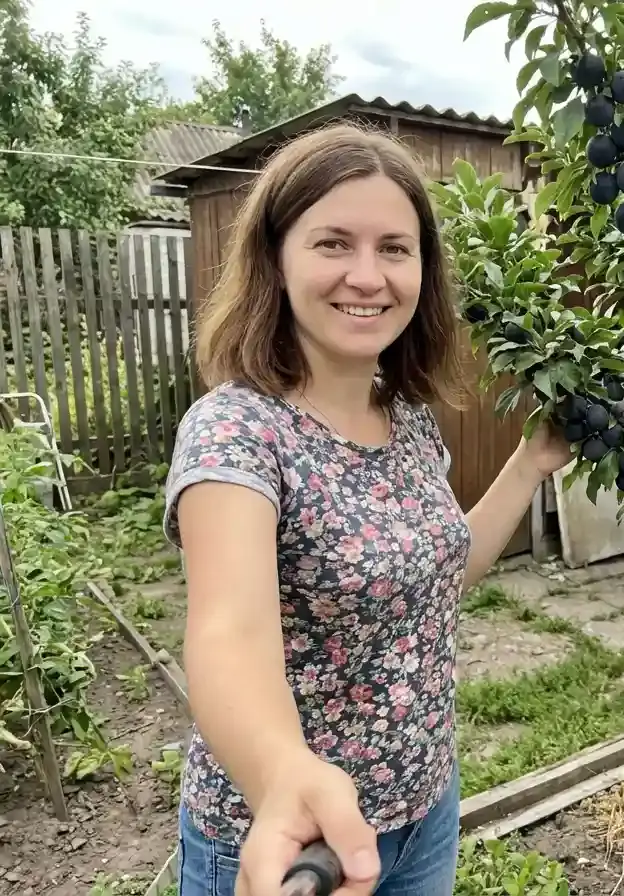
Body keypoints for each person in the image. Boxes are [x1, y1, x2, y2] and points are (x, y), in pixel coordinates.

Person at [164, 122, 572, 896]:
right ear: (276, 261)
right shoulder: (237, 432)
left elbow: (437, 573)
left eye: (394, 248)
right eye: (332, 244)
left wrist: (528, 465)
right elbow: (228, 631)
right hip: (293, 847)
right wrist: (281, 773)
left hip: (424, 810)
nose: (367, 274)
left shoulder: (406, 415)